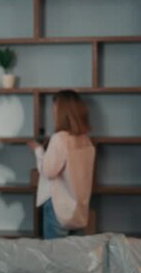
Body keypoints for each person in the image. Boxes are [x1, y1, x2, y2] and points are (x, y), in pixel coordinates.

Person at [27, 90, 95, 240]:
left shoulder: (60, 139)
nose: (53, 113)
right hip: (78, 210)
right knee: (75, 257)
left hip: (59, 207)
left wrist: (38, 150)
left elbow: (49, 172)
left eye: (55, 109)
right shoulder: (86, 140)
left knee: (54, 258)